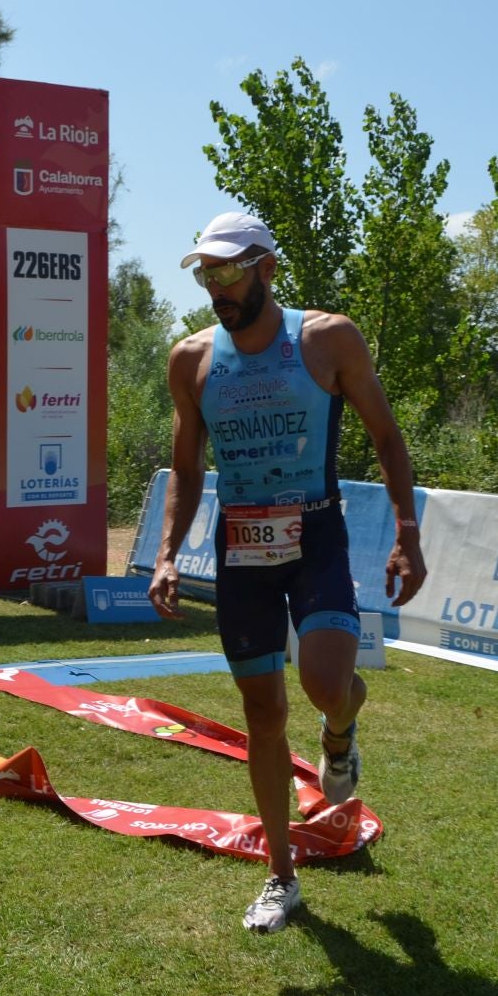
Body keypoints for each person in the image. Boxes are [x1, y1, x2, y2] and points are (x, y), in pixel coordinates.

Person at [148, 210, 427, 933]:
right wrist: (169, 554)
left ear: (266, 268)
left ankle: (340, 729)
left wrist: (407, 533)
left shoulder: (327, 339)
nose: (217, 288)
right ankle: (280, 876)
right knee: (263, 716)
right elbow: (186, 469)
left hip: (316, 535)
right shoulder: (191, 359)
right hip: (241, 547)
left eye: (228, 272)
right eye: (207, 276)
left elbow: (387, 436)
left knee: (327, 684)